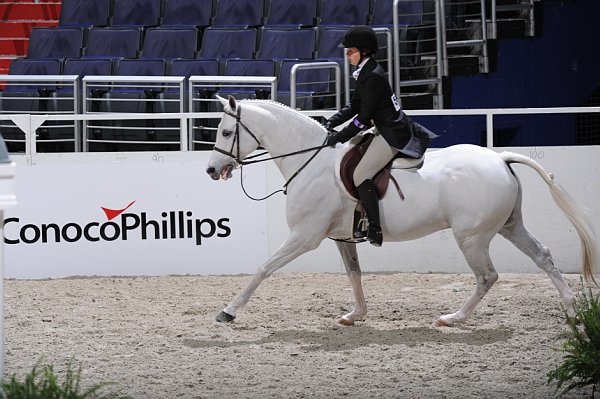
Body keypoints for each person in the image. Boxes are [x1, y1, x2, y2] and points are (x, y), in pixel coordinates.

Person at [324, 25, 438, 247]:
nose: (347, 55)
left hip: (392, 134)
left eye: (350, 51)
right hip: (381, 128)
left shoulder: (373, 76)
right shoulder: (366, 72)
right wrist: (331, 121)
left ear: (364, 51)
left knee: (360, 175)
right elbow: (354, 105)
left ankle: (375, 229)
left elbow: (363, 120)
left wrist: (338, 137)